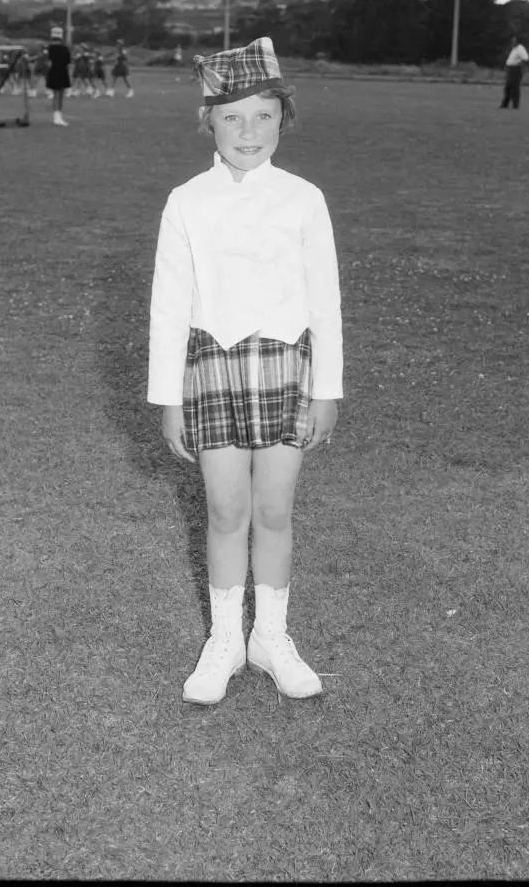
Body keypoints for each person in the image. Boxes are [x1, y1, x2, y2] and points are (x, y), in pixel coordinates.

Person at [148, 36, 343, 706]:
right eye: (232, 117)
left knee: (273, 509)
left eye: (263, 116)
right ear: (209, 122)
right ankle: (227, 639)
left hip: (287, 366)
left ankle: (272, 637)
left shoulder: (303, 199)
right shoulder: (187, 201)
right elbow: (168, 306)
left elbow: (327, 303)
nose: (248, 131)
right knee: (226, 510)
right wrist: (168, 398)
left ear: (283, 119)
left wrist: (326, 390)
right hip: (209, 367)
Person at [46, 25, 72, 126]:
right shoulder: (65, 48)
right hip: (62, 71)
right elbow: (68, 61)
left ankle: (56, 116)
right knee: (60, 95)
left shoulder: (49, 48)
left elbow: (48, 62)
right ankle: (58, 117)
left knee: (55, 95)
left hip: (53, 71)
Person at [500, 35, 529, 109]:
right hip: (511, 69)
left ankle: (515, 105)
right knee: (508, 87)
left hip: (515, 70)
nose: (512, 42)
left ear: (517, 41)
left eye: (513, 40)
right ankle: (505, 104)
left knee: (514, 87)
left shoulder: (520, 49)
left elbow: (526, 58)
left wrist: (519, 65)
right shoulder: (514, 49)